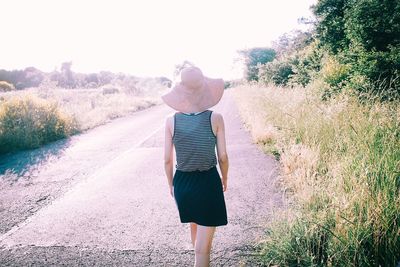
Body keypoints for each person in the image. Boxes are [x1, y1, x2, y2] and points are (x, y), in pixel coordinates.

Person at [162, 66, 229, 267]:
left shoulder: (170, 121)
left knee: (197, 240)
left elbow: (166, 159)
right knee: (203, 252)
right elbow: (223, 156)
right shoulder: (215, 118)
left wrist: (171, 184)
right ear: (205, 89)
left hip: (183, 183)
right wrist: (224, 178)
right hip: (208, 182)